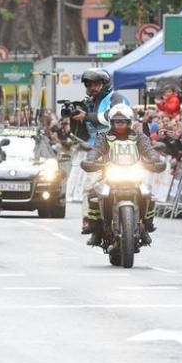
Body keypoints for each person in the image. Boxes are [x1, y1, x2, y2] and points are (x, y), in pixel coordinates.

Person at [83, 103, 164, 250]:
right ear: (111, 122)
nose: (120, 124)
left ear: (129, 122)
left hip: (133, 175)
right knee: (93, 195)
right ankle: (96, 231)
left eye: (123, 121)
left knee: (148, 195)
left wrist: (155, 159)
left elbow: (148, 150)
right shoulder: (104, 137)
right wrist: (90, 159)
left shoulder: (138, 137)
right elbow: (96, 150)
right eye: (117, 121)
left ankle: (146, 226)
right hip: (110, 176)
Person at [67, 69, 129, 237]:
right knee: (90, 185)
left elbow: (114, 116)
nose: (92, 88)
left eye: (96, 84)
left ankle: (145, 221)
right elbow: (83, 130)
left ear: (105, 84)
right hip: (98, 150)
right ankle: (90, 221)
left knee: (143, 184)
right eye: (89, 85)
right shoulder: (88, 102)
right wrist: (73, 118)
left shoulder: (117, 98)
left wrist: (87, 116)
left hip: (122, 148)